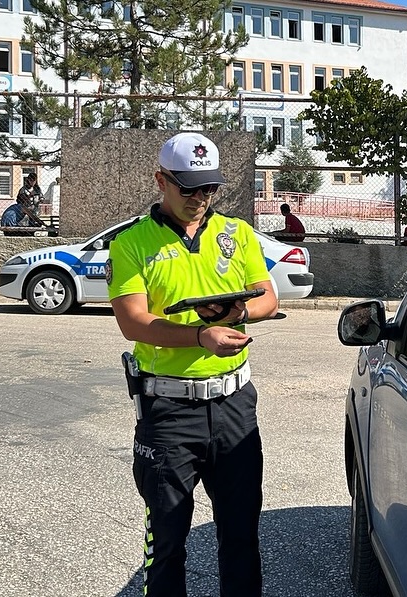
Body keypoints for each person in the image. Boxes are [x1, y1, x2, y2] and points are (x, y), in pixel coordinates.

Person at [107, 132, 278, 597]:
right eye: (189, 188)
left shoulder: (236, 234)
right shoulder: (130, 243)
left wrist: (238, 312)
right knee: (166, 542)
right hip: (168, 412)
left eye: (209, 188)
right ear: (161, 180)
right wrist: (200, 335)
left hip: (234, 406)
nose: (200, 199)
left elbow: (268, 297)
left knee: (241, 535)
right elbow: (135, 322)